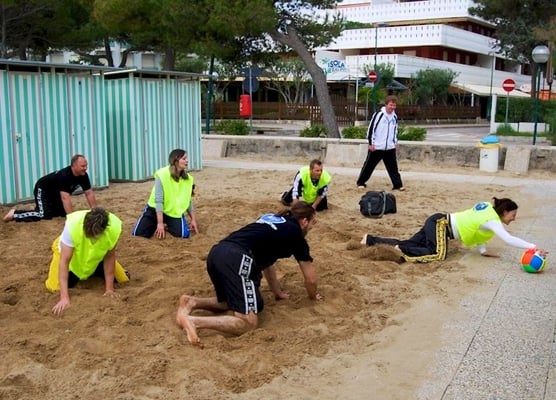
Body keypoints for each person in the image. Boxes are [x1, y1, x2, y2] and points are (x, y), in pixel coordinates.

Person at [176, 201, 323, 345]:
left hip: (217, 253)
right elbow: (310, 279)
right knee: (248, 323)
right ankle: (194, 321)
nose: (311, 227)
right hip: (237, 257)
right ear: (304, 221)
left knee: (231, 302)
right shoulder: (296, 235)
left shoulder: (272, 219)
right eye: (312, 223)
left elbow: (268, 262)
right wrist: (313, 297)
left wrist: (277, 292)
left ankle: (192, 302)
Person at [360, 197, 548, 263]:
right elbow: (508, 239)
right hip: (442, 225)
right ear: (505, 212)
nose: (514, 219)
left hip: (437, 220)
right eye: (513, 215)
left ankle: (370, 239)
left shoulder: (487, 209)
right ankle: (401, 251)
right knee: (438, 254)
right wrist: (533, 247)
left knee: (410, 242)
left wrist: (483, 251)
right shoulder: (492, 220)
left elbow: (477, 228)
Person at [46, 207, 130, 316]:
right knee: (54, 288)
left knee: (123, 279)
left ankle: (94, 272)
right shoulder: (72, 227)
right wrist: (64, 298)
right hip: (72, 256)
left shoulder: (114, 228)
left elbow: (110, 257)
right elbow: (64, 261)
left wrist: (109, 289)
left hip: (96, 255)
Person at [3, 154, 97, 223]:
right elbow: (65, 198)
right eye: (83, 166)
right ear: (74, 166)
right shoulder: (65, 176)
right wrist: (71, 219)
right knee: (44, 215)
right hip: (43, 189)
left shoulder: (83, 176)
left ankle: (40, 208)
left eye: (86, 165)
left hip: (56, 194)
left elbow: (89, 193)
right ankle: (15, 214)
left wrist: (95, 211)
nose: (86, 168)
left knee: (61, 213)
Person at [132, 149, 198, 239]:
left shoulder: (189, 179)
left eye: (186, 158)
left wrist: (193, 220)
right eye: (184, 158)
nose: (187, 161)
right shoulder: (162, 174)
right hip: (155, 209)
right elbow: (159, 201)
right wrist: (160, 223)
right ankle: (156, 222)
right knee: (138, 234)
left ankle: (169, 224)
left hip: (173, 212)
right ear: (175, 161)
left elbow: (188, 200)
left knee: (183, 235)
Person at [356, 95, 404, 191]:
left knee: (393, 168)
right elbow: (371, 129)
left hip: (389, 147)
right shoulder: (378, 115)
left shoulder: (394, 117)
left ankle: (397, 185)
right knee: (369, 166)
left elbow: (395, 130)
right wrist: (371, 143)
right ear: (386, 105)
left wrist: (395, 142)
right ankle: (361, 182)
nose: (392, 107)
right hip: (377, 146)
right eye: (391, 105)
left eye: (394, 105)